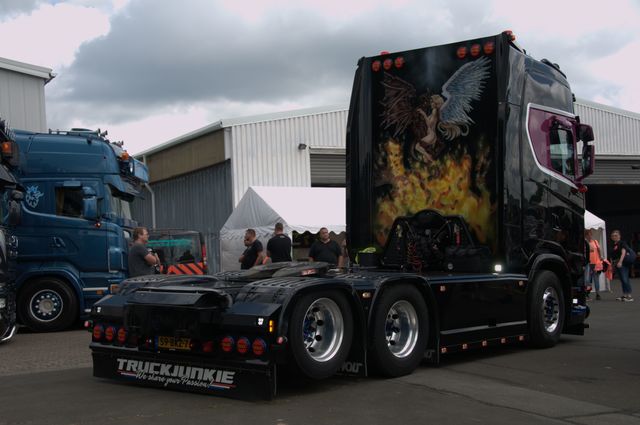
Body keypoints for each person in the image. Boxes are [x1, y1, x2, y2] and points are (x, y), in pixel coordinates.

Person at [610, 230, 633, 302]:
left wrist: (620, 262)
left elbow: (623, 253)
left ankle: (629, 296)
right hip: (616, 263)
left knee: (625, 279)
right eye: (613, 236)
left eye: (616, 235)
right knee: (622, 280)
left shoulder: (622, 243)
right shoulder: (614, 244)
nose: (614, 237)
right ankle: (625, 295)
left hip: (622, 263)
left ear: (619, 236)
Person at [585, 229, 603, 300]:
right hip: (588, 263)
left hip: (596, 263)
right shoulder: (584, 242)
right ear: (585, 235)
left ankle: (598, 294)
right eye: (588, 234)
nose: (589, 236)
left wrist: (600, 257)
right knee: (588, 279)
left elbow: (599, 250)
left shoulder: (595, 242)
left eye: (590, 234)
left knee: (596, 279)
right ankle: (587, 294)